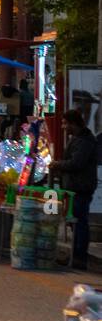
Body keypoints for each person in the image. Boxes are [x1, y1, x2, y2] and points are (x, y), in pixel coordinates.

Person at [51, 109, 97, 271]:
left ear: (73, 123)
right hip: (73, 187)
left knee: (79, 222)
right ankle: (74, 255)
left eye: (65, 123)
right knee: (74, 222)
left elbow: (76, 163)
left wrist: (58, 165)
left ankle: (79, 257)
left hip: (81, 187)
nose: (63, 127)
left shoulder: (85, 141)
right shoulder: (76, 139)